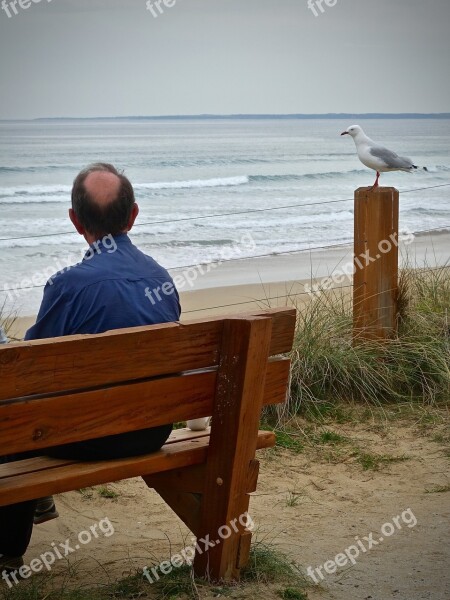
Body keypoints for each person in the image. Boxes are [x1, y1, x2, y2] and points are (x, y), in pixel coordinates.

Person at [0, 163, 181, 575]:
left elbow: (28, 372)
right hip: (154, 430)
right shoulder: (163, 279)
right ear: (133, 215)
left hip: (85, 438)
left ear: (74, 220)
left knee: (11, 412)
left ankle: (8, 548)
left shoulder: (67, 285)